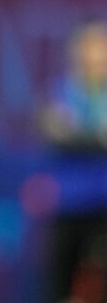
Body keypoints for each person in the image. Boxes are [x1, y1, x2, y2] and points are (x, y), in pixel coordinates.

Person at [38, 21, 107, 303]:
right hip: (68, 203)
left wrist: (77, 133)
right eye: (87, 54)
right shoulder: (61, 91)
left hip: (103, 205)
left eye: (99, 55)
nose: (93, 61)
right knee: (59, 285)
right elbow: (53, 130)